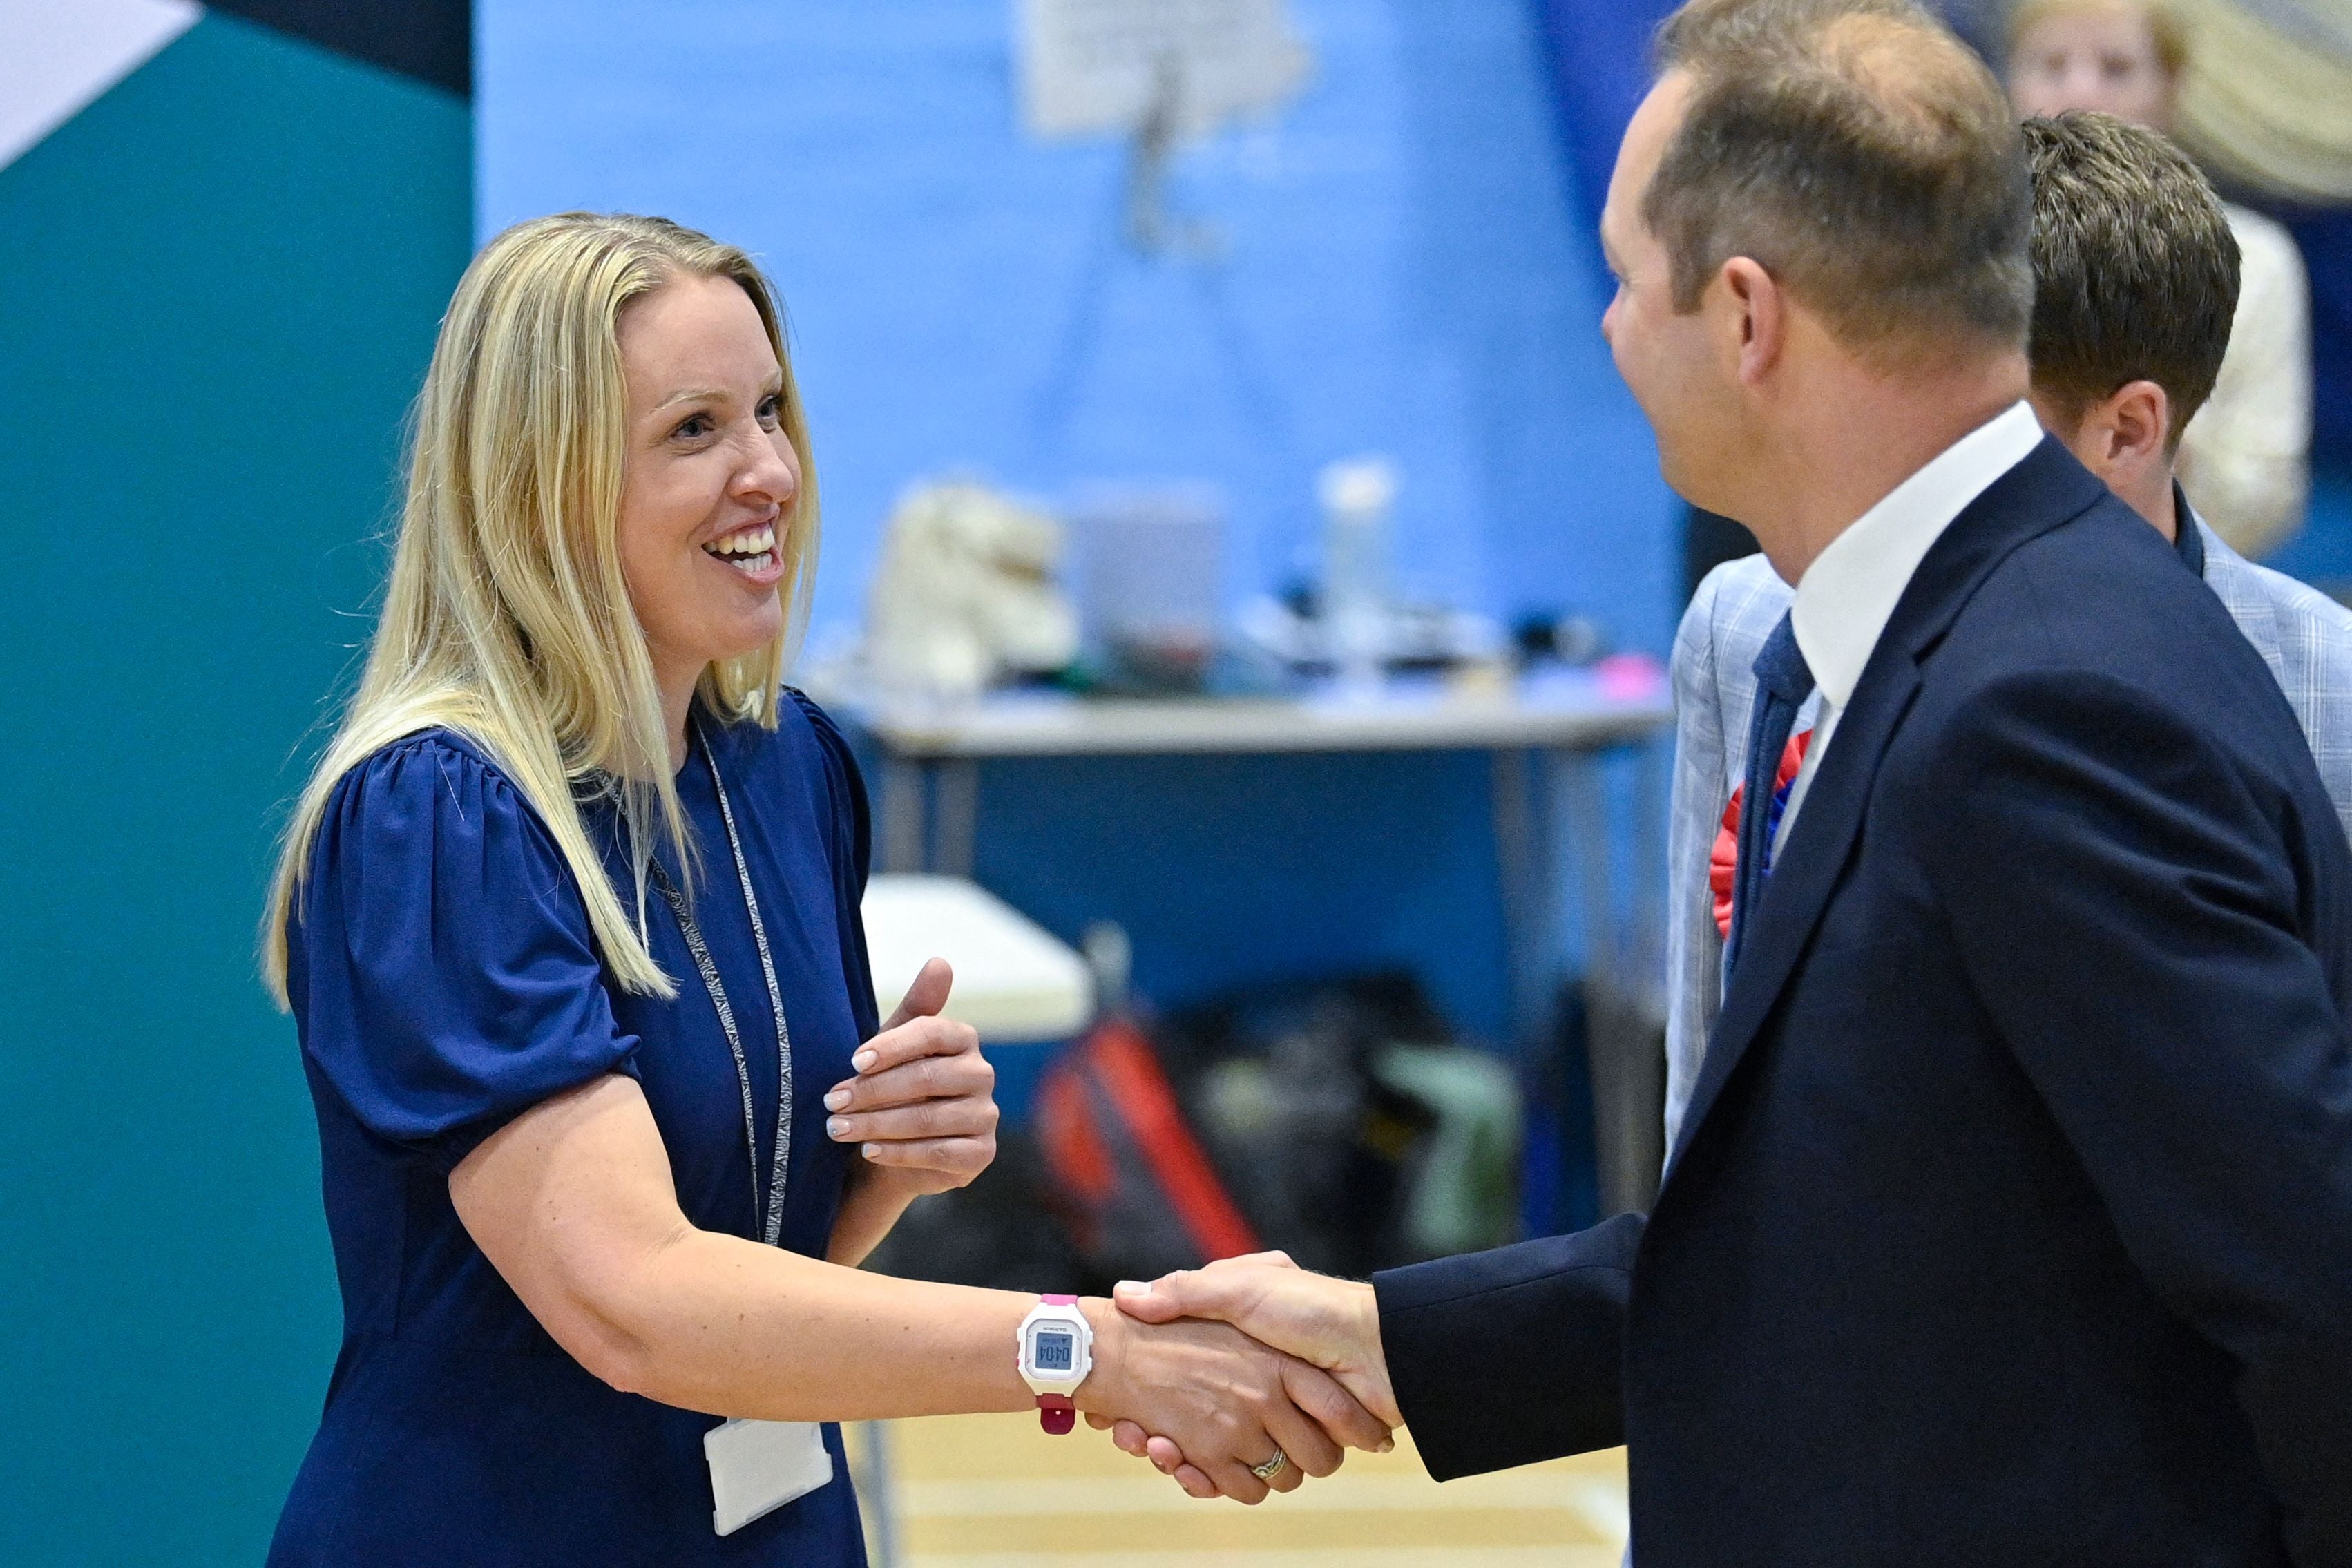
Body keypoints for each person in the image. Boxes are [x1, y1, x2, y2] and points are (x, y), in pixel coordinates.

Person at [1097, 1, 2352, 1559]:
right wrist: (1389, 1333)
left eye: (1628, 282)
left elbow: (2311, 1284)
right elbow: (1853, 1247)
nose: (1611, 331)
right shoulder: (1921, 636)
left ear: (1746, 319)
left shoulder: (2044, 698)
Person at [258, 213, 1387, 1567]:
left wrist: (888, 1165)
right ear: (539, 482)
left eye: (772, 413)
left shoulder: (786, 767)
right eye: (694, 430)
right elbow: (638, 1304)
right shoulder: (445, 817)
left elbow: (763, 1247)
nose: (770, 473)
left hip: (772, 1517)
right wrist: (1082, 1349)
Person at [1660, 108, 2352, 1151]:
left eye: (1980, 433)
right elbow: (1705, 1102)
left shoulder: (2322, 679)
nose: (1922, 466)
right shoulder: (1752, 622)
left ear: (2127, 430)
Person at [2008, 0, 2312, 558]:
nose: (2081, 94)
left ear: (2171, 87)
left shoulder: (2259, 261)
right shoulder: (1965, 251)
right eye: (2051, 64)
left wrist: (2148, 445)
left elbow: (2269, 497)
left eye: (2116, 68)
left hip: (2186, 577)